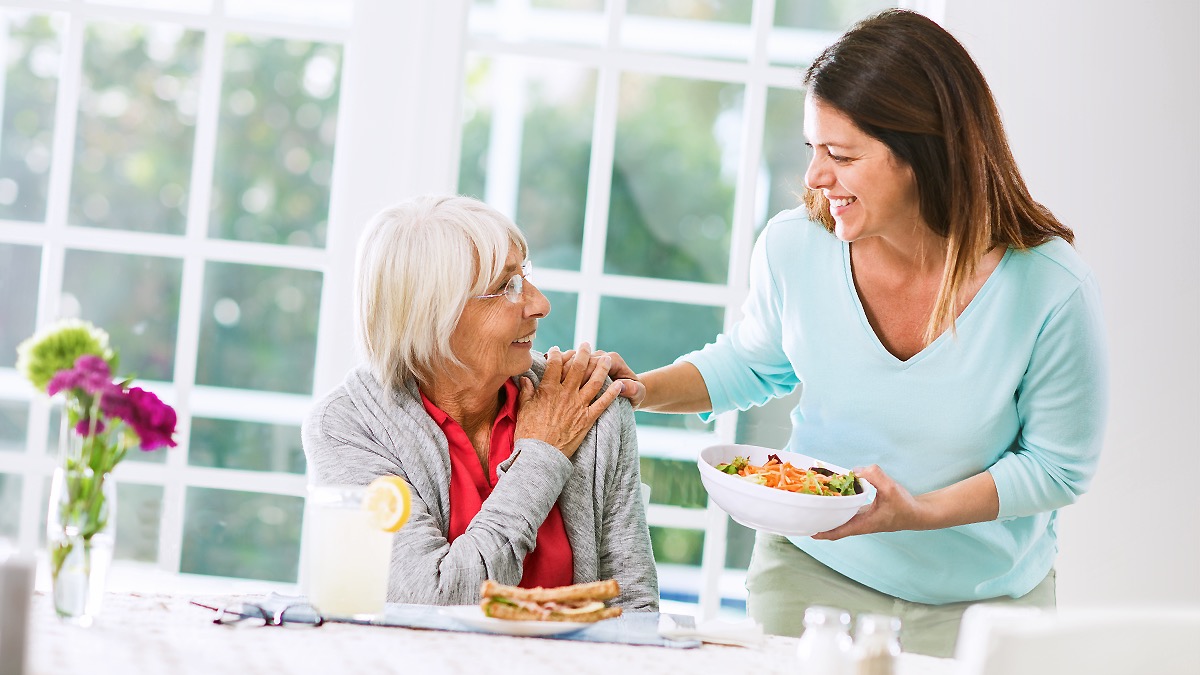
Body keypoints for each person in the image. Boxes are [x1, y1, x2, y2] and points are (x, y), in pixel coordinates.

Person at [601, 9, 1107, 656]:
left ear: (924, 155)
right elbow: (751, 362)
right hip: (811, 580)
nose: (815, 176)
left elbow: (1056, 467)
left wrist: (918, 513)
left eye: (840, 155)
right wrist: (640, 389)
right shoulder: (794, 246)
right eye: (813, 149)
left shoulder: (1050, 288)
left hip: (984, 605)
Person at [302, 195, 658, 611]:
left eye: (524, 276)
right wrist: (541, 456)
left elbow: (634, 610)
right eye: (507, 287)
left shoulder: (587, 404)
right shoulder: (348, 426)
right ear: (434, 316)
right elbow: (433, 600)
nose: (541, 304)